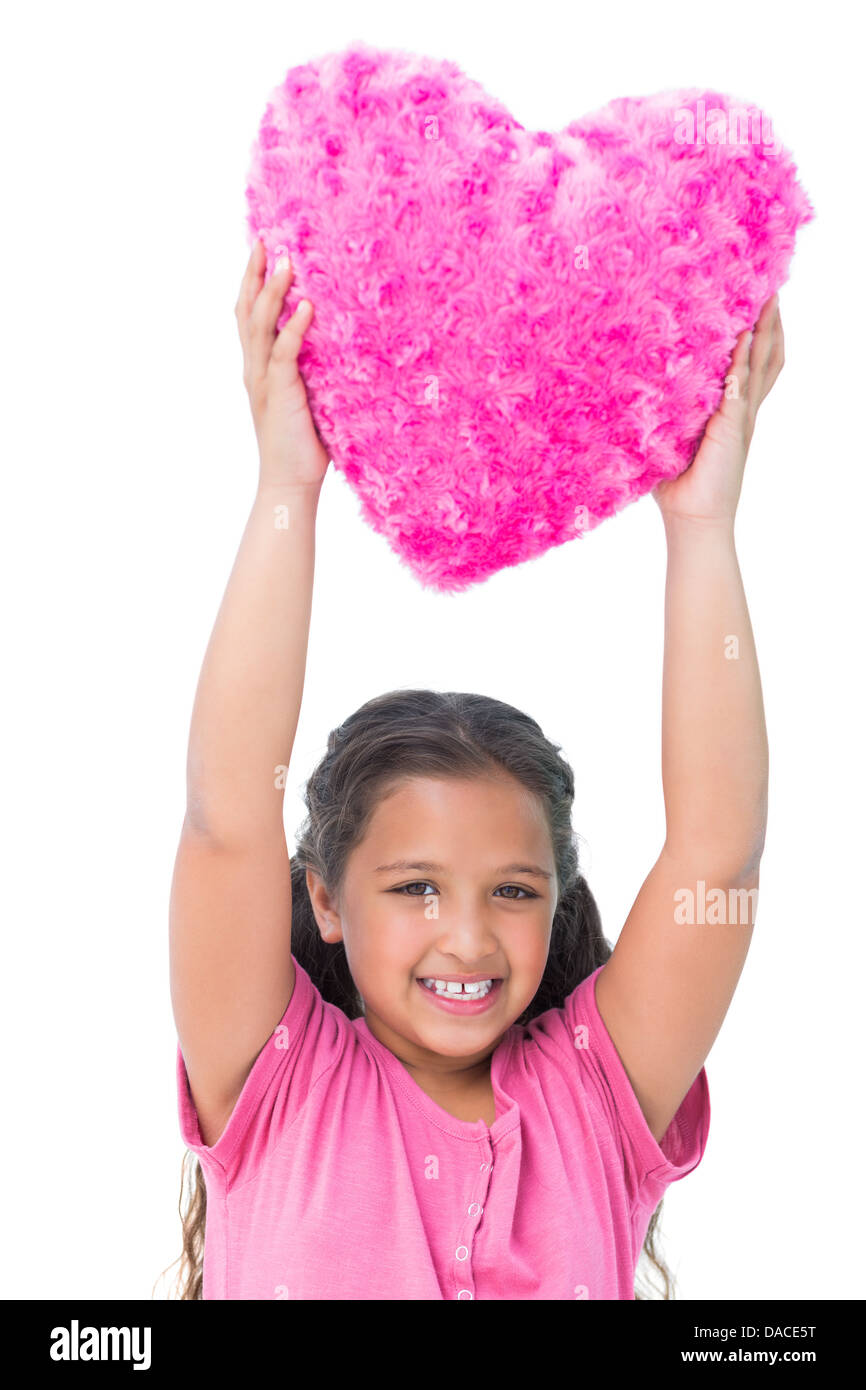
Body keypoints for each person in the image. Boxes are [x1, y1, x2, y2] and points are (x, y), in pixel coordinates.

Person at [162, 239, 782, 1300]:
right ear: (322, 897)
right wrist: (285, 489)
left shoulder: (595, 1099)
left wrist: (700, 528)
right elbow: (229, 817)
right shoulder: (277, 1087)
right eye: (413, 888)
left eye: (512, 890)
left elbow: (716, 856)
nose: (467, 934)